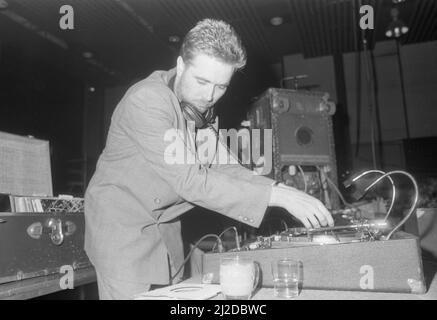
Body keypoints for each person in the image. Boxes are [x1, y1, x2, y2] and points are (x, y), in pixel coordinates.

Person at [84, 18, 334, 300]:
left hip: (162, 230)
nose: (209, 96)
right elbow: (190, 180)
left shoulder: (201, 110)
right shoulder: (147, 101)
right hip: (123, 233)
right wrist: (273, 199)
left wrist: (279, 189)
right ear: (180, 66)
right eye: (202, 81)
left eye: (221, 87)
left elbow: (223, 165)